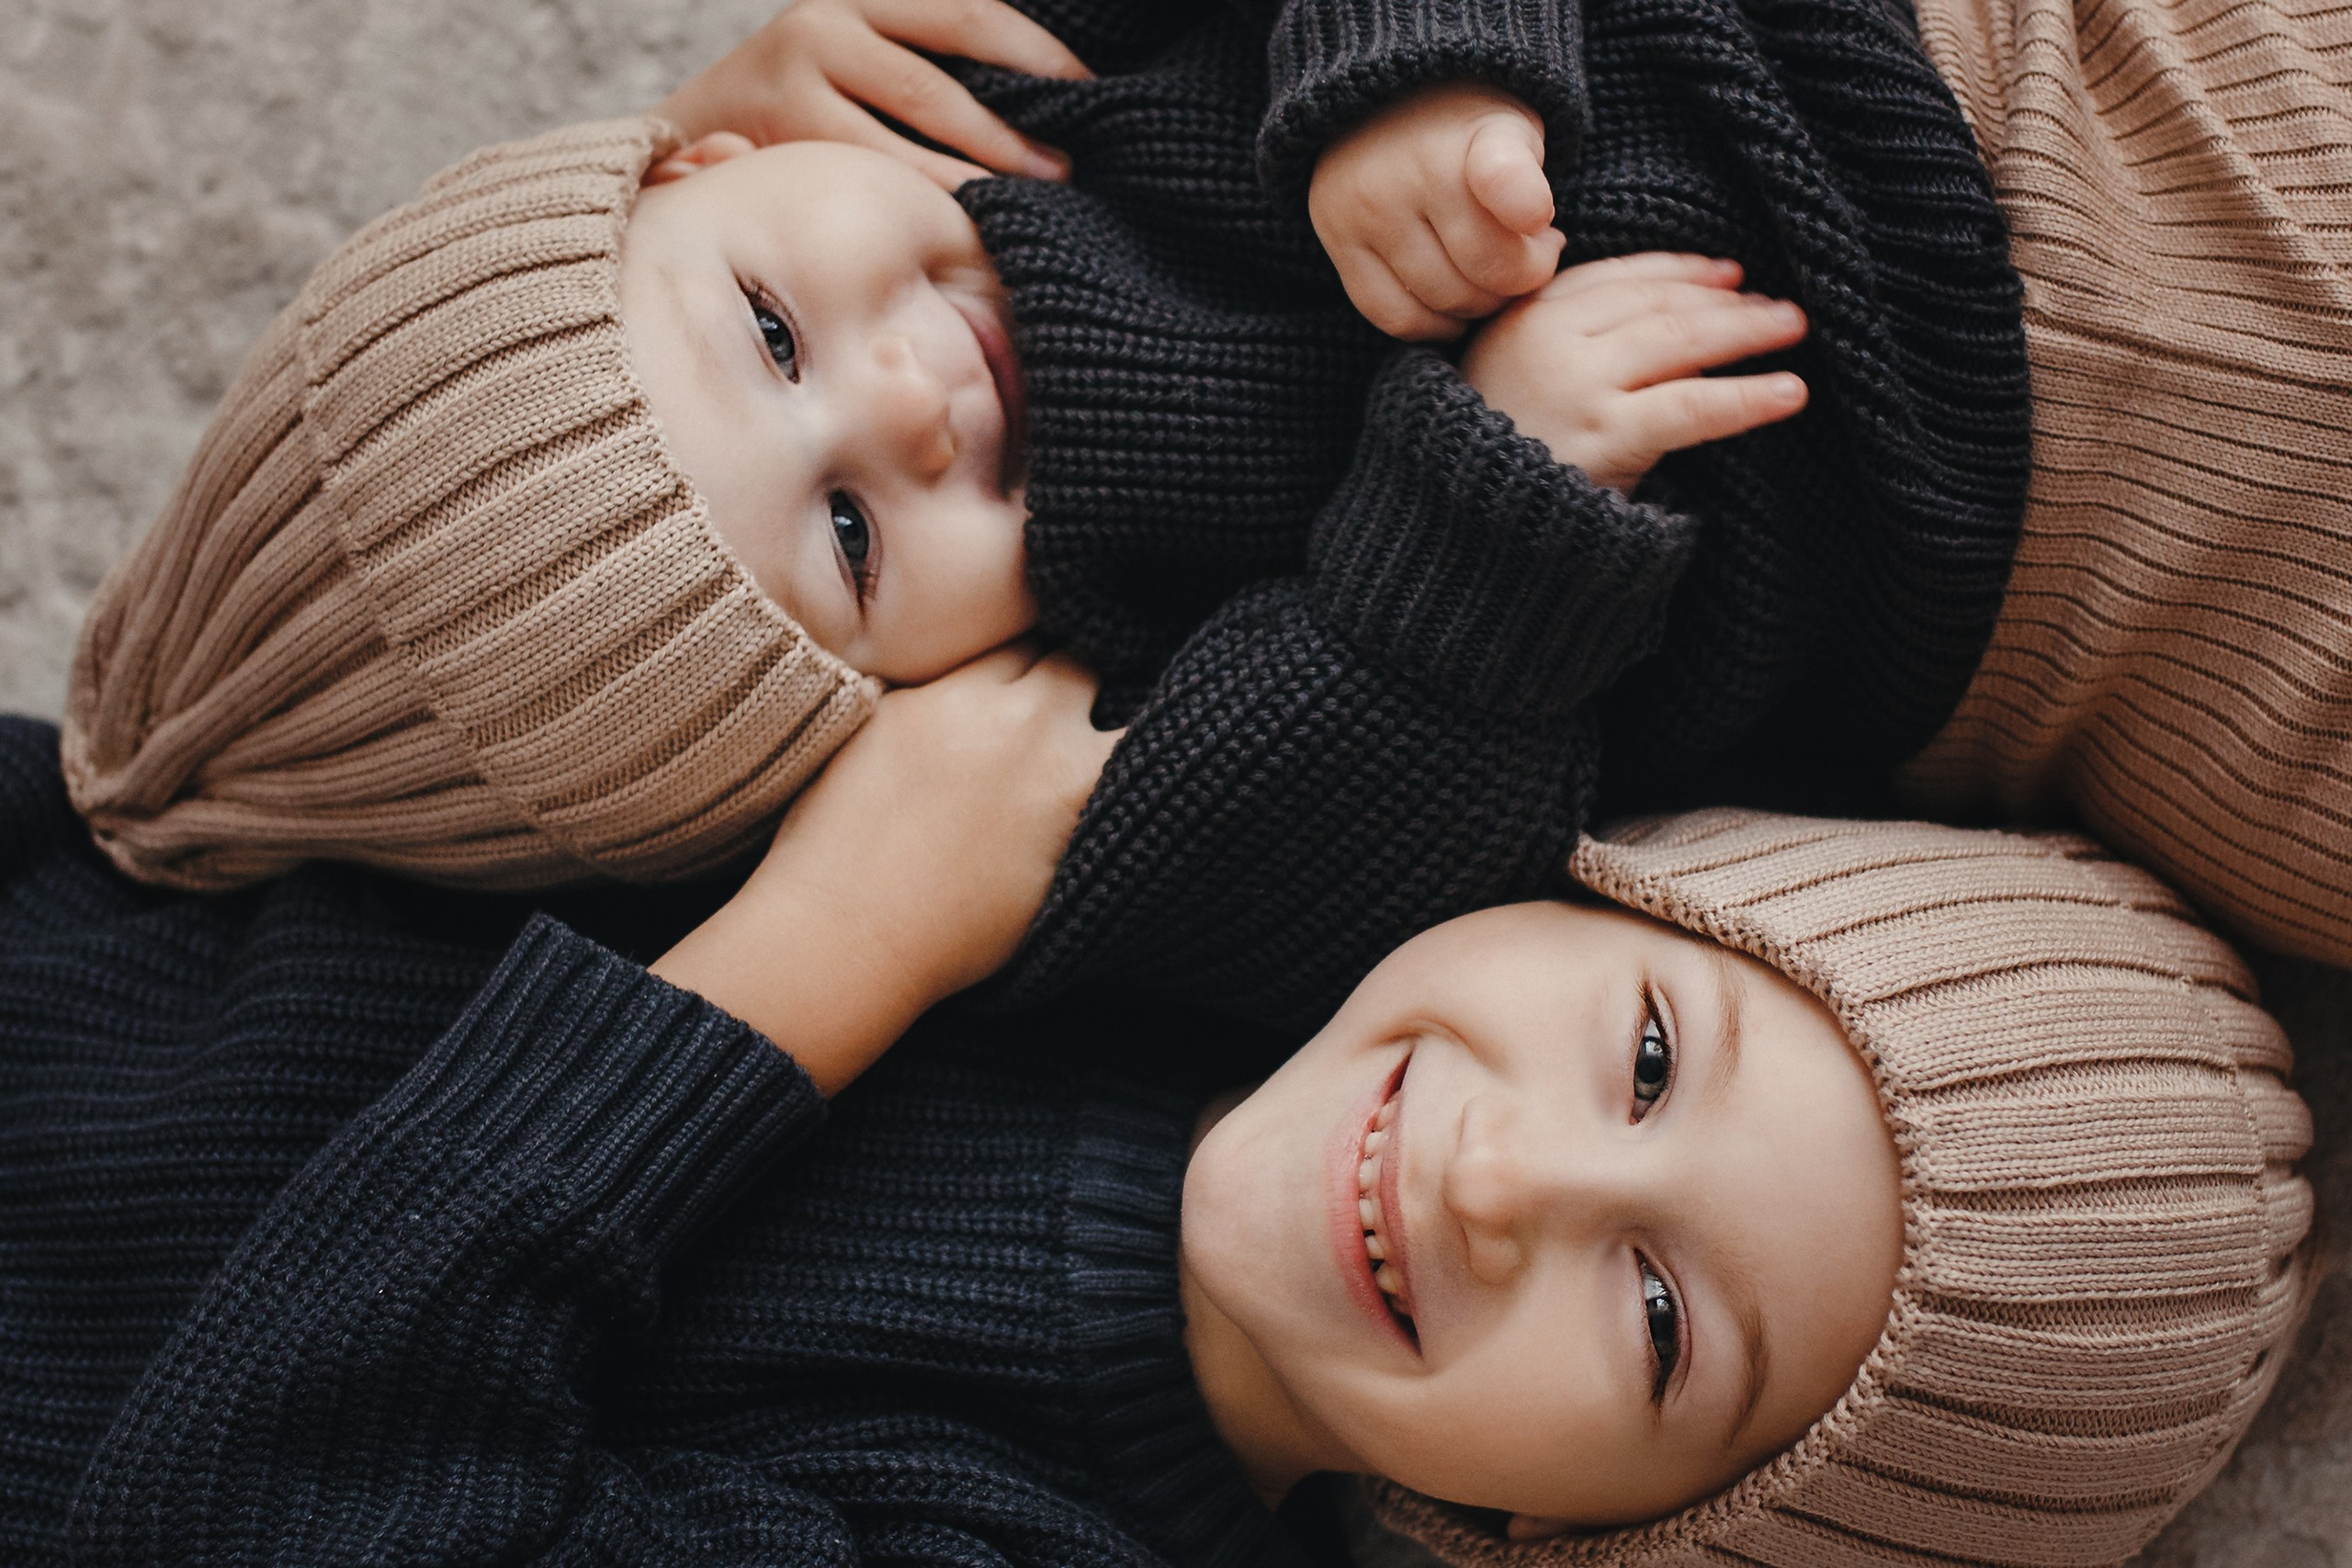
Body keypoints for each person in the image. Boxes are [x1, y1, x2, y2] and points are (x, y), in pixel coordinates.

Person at [1, 655, 2317, 1567]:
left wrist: (826, 955)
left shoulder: (1013, 1537)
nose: (1511, 1174)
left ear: (1588, 1541)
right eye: (1641, 1050)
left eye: (1652, 1322)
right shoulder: (1207, 813)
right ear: (1594, 893)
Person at [59, 0, 2030, 1033]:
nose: (905, 403)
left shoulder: (985, 88)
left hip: (1956, 79)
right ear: (856, 734)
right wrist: (1481, 508)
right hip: (2020, 589)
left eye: (767, 320)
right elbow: (1356, 855)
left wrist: (1401, 62)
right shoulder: (1074, 741)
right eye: (844, 540)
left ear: (703, 152)